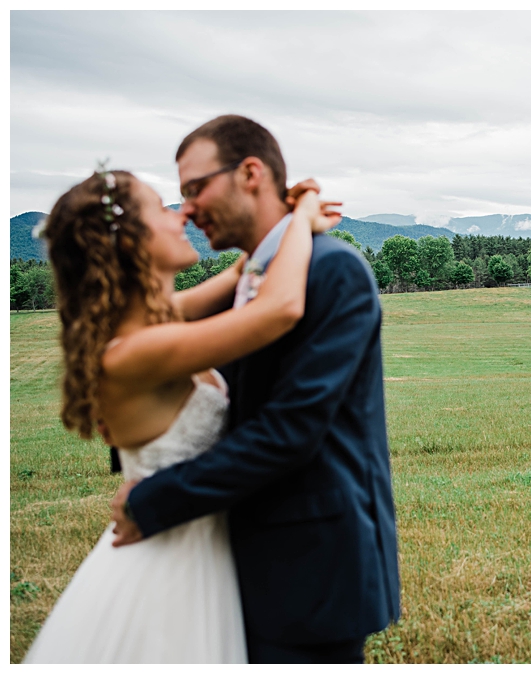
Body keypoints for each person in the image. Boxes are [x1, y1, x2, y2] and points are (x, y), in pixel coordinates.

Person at [109, 115, 400, 664]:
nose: (187, 209)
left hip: (310, 570)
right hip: (228, 562)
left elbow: (289, 430)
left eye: (196, 189)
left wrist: (156, 499)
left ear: (250, 173)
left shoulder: (333, 272)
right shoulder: (247, 280)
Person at [24, 165, 333, 663]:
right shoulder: (131, 353)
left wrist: (281, 219)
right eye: (160, 209)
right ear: (132, 244)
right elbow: (277, 309)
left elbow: (243, 275)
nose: (180, 217)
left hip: (194, 538)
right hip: (171, 563)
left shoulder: (154, 325)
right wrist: (301, 220)